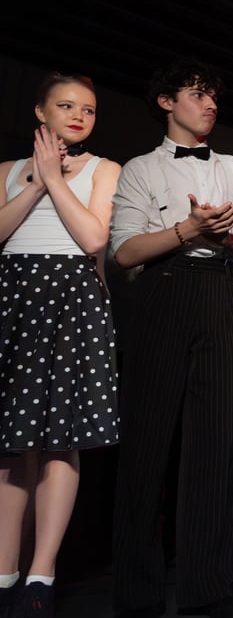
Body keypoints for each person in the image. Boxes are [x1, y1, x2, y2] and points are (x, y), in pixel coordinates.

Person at [109, 58, 233, 618]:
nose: (210, 104)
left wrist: (224, 238)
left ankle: (209, 590)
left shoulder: (232, 166)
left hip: (218, 293)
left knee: (213, 449)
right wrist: (188, 229)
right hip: (164, 292)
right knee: (146, 446)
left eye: (214, 97)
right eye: (198, 94)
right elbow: (124, 251)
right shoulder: (140, 169)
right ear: (166, 102)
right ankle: (136, 595)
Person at [0, 73, 121, 617]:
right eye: (67, 106)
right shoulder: (6, 171)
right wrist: (37, 180)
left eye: (88, 110)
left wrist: (55, 178)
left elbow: (94, 238)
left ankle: (42, 574)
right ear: (40, 112)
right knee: (10, 444)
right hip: (13, 296)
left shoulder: (105, 168)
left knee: (61, 441)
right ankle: (4, 572)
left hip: (73, 296)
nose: (78, 116)